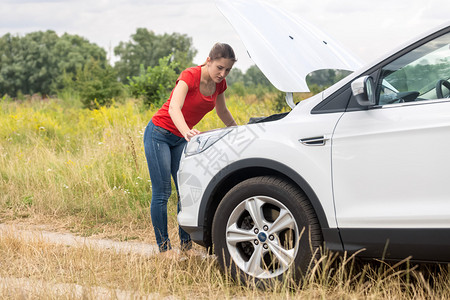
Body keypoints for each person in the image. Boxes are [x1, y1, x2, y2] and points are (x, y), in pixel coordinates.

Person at [143, 43, 237, 253]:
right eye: (219, 67)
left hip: (180, 138)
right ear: (209, 61)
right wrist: (186, 131)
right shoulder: (190, 76)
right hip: (159, 134)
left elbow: (222, 111)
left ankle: (186, 246)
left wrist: (238, 131)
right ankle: (164, 249)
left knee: (184, 192)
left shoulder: (219, 84)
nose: (222, 73)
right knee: (162, 192)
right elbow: (175, 107)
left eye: (228, 70)